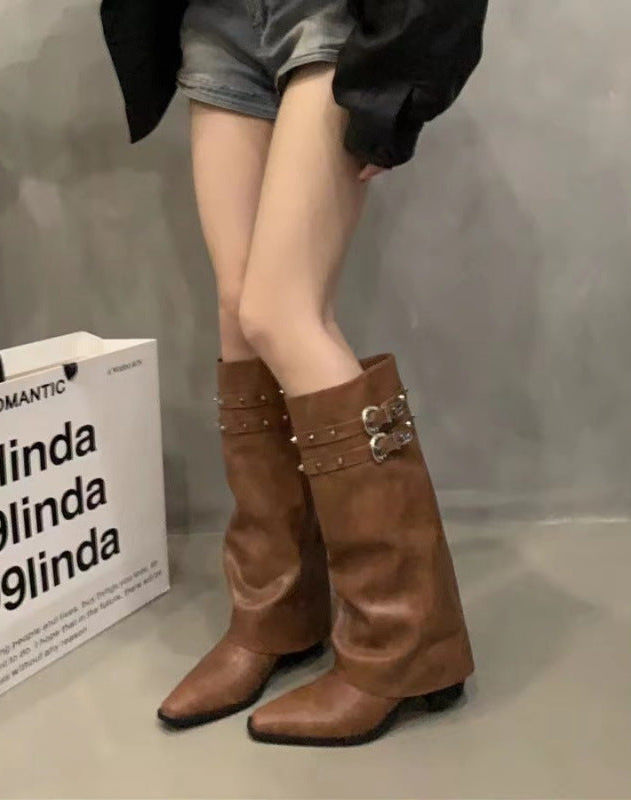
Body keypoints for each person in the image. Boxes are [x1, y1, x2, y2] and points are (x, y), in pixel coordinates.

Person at [101, 0, 489, 746]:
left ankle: (406, 643)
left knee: (282, 312)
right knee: (239, 312)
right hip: (215, 24)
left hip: (328, 16)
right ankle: (273, 614)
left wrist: (401, 83)